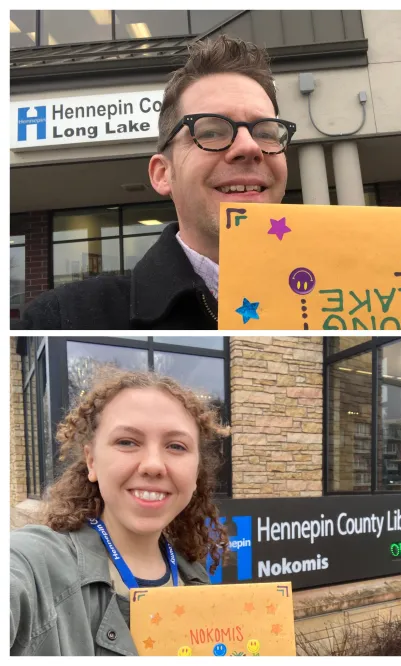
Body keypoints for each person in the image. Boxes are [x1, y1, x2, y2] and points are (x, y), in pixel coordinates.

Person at [14, 35, 295, 330]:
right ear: (162, 174)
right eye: (212, 132)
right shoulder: (61, 319)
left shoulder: (337, 288)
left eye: (265, 132)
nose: (249, 147)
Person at [10, 369, 229, 656]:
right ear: (92, 461)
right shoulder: (36, 566)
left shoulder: (195, 577)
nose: (153, 465)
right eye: (127, 442)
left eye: (176, 446)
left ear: (196, 471)